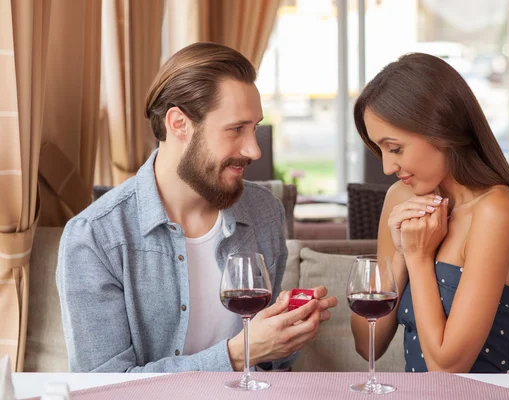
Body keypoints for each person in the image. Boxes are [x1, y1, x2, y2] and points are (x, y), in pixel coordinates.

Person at [56, 42, 337, 373]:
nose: (254, 150)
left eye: (255, 128)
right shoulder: (96, 237)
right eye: (236, 129)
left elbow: (268, 366)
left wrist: (287, 330)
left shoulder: (263, 212)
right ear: (179, 124)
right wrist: (238, 353)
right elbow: (102, 387)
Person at [350, 53, 509, 373]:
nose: (386, 167)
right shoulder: (400, 199)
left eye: (394, 148)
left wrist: (419, 258)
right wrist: (400, 254)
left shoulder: (496, 211)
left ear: (441, 129)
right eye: (379, 149)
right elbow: (367, 345)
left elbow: (447, 369)